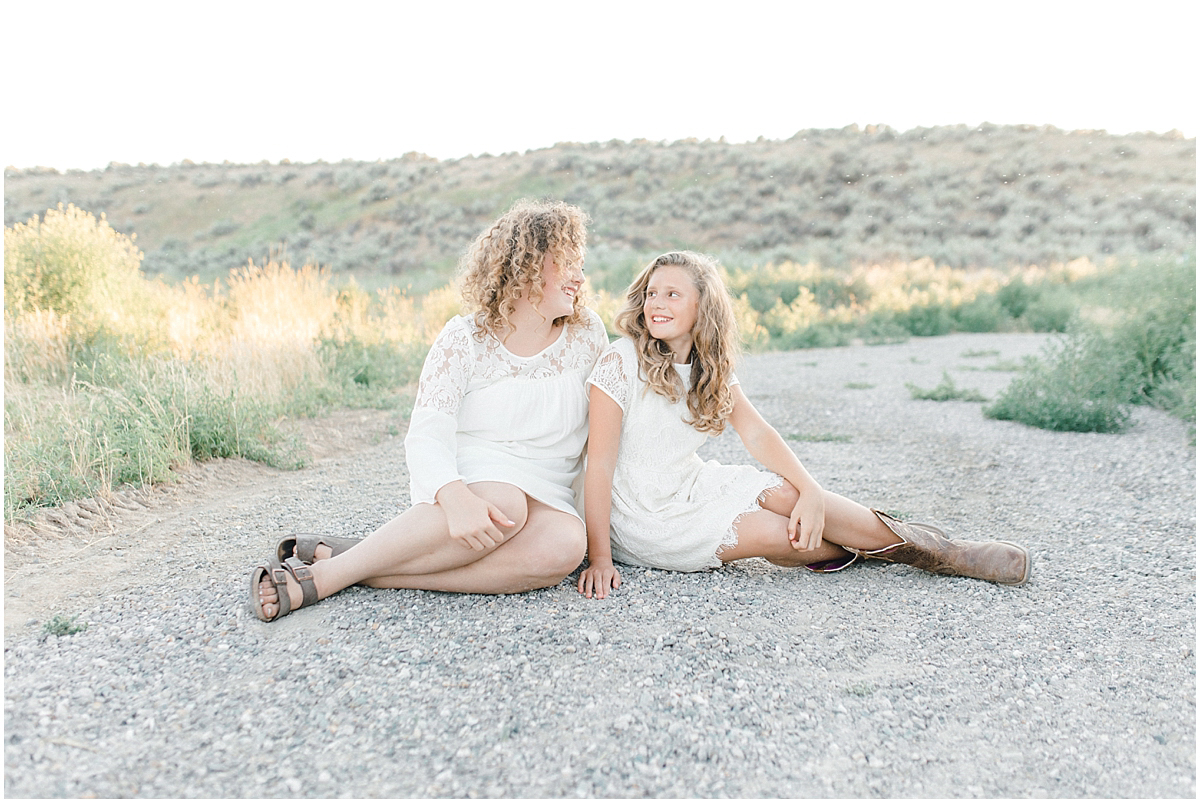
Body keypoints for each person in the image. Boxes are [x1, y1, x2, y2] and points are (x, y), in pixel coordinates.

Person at [577, 251, 1030, 599]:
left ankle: (946, 553)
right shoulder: (622, 360)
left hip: (691, 483)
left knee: (796, 499)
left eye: (672, 294)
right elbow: (598, 465)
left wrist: (810, 489)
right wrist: (598, 557)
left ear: (703, 305)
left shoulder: (708, 367)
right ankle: (896, 546)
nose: (657, 303)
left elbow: (757, 433)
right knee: (786, 534)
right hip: (641, 514)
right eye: (652, 293)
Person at [251, 199, 609, 621]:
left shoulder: (588, 334)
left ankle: (363, 566)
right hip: (472, 478)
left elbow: (599, 439)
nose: (579, 278)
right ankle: (326, 578)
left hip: (549, 487)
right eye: (567, 263)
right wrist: (453, 496)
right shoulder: (465, 337)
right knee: (505, 502)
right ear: (527, 265)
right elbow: (426, 434)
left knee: (566, 545)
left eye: (580, 265)